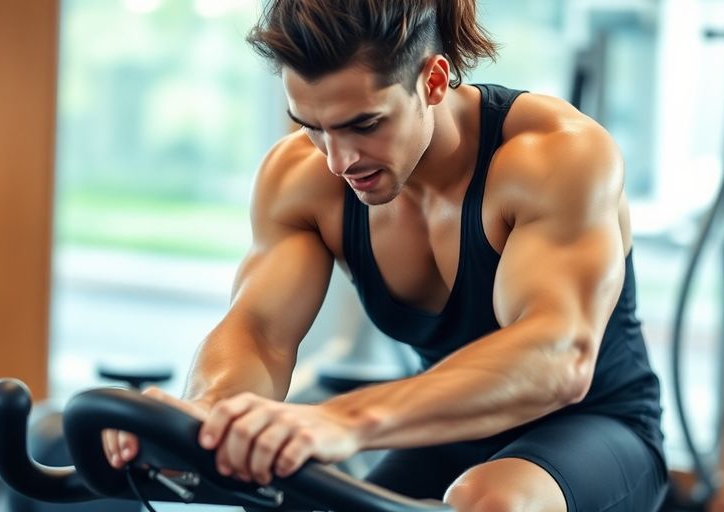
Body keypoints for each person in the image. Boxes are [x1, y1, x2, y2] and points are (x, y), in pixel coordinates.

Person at [104, 0, 668, 510]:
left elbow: (557, 357)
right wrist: (207, 419)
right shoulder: (301, 176)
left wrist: (342, 420)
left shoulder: (553, 155)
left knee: (488, 500)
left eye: (365, 124)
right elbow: (258, 333)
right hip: (447, 432)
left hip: (597, 429)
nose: (338, 160)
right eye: (313, 128)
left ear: (435, 80)